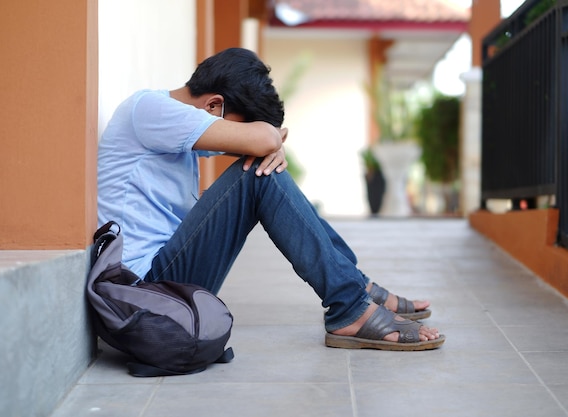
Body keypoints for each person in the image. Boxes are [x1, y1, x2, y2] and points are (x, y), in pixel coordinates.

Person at [98, 47, 444, 351]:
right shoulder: (149, 109)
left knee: (260, 168)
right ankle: (351, 305)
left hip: (163, 281)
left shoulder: (176, 125)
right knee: (257, 173)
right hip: (140, 291)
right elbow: (263, 141)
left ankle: (356, 287)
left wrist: (269, 142)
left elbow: (266, 138)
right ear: (214, 104)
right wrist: (267, 143)